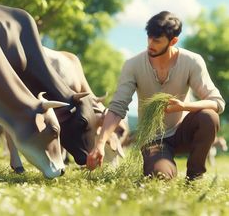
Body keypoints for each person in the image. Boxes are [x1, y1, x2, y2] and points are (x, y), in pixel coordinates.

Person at [86, 11, 225, 180]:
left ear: (173, 41)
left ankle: (194, 177)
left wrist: (184, 107)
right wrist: (100, 143)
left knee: (208, 117)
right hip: (153, 139)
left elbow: (217, 102)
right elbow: (117, 108)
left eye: (157, 40)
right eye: (149, 37)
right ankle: (163, 169)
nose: (150, 44)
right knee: (160, 177)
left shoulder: (192, 61)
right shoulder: (133, 65)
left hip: (184, 131)